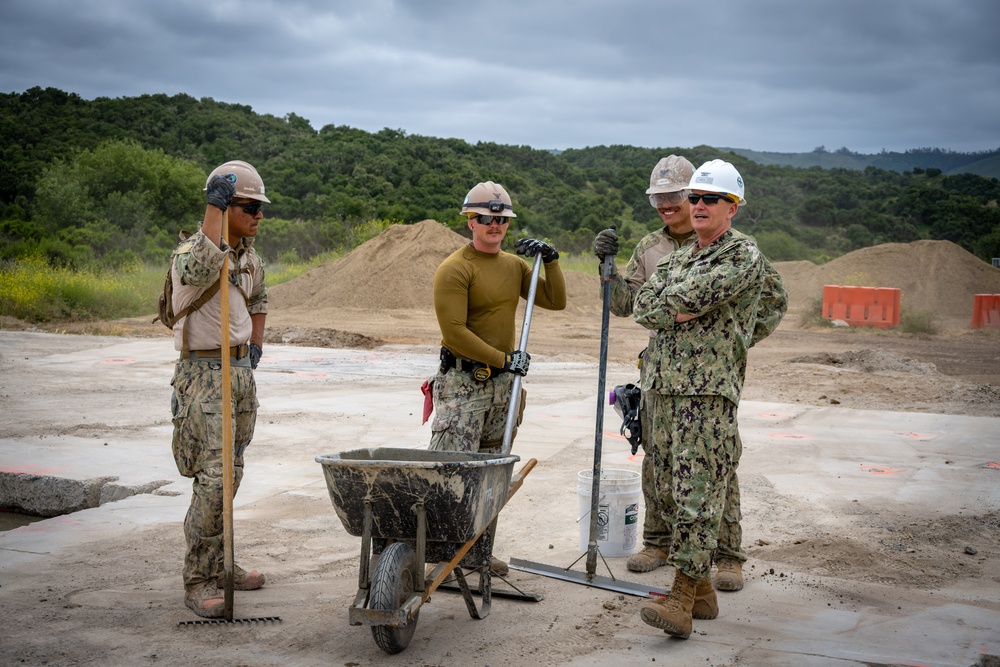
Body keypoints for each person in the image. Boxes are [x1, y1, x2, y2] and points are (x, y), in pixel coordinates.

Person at [631, 160, 787, 638]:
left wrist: (730, 336)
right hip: (663, 387)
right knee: (672, 490)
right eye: (694, 198)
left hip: (706, 393)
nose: (696, 206)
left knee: (698, 494)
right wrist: (682, 310)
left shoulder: (742, 257)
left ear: (732, 207)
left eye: (709, 199)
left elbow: (681, 303)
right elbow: (645, 306)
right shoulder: (679, 256)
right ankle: (702, 595)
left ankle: (681, 597)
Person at [594, 156, 749, 592]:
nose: (666, 205)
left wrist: (729, 342)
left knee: (715, 467)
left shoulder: (731, 248)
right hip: (661, 373)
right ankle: (658, 543)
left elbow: (769, 302)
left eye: (676, 197)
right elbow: (627, 305)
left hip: (708, 380)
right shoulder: (649, 249)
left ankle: (728, 556)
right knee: (658, 461)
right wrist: (606, 269)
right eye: (658, 198)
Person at [428, 180, 567, 574]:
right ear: (470, 221)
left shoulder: (514, 266)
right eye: (486, 219)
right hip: (463, 385)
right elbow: (454, 332)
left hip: (503, 387)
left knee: (490, 473)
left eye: (502, 219)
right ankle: (437, 552)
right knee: (450, 471)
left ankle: (476, 552)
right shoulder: (455, 268)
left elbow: (555, 301)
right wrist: (505, 359)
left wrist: (551, 262)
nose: (495, 226)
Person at [169, 160, 270, 618]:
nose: (258, 215)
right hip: (205, 375)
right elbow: (196, 272)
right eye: (249, 206)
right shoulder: (193, 251)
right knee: (213, 479)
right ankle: (199, 578)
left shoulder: (249, 256)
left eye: (260, 207)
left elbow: (261, 300)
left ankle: (224, 564)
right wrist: (215, 205)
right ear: (225, 205)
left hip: (239, 371)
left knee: (233, 473)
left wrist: (256, 349)